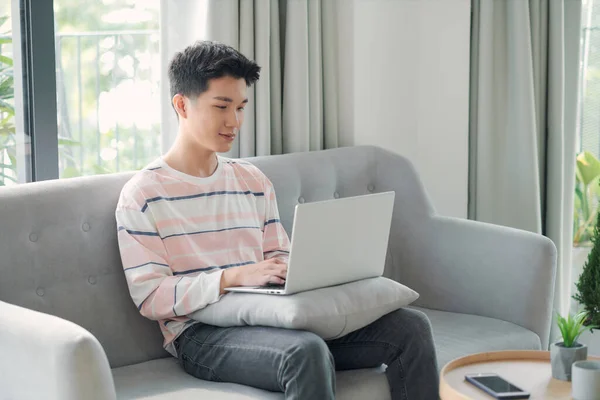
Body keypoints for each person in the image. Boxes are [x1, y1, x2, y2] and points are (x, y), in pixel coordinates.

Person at [115, 40, 439, 399]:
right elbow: (151, 296)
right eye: (222, 106)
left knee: (410, 327)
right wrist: (232, 278)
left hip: (271, 316)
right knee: (305, 352)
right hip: (201, 333)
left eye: (240, 107)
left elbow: (279, 257)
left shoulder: (251, 180)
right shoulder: (144, 194)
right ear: (181, 105)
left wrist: (299, 271)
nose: (234, 121)